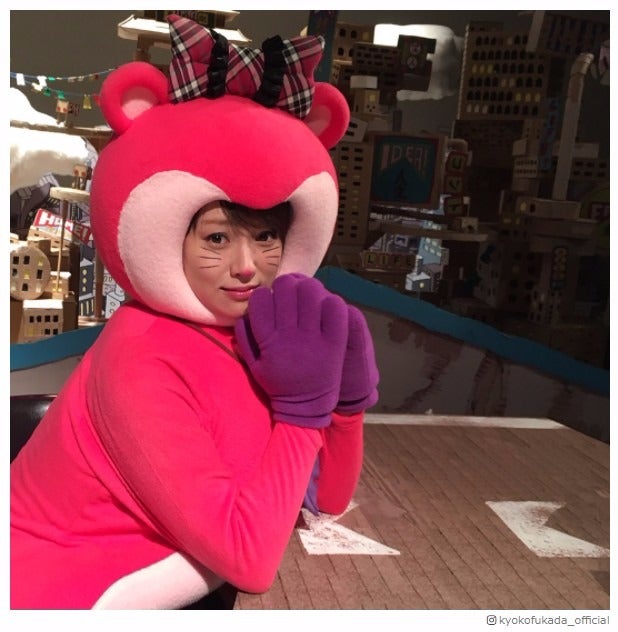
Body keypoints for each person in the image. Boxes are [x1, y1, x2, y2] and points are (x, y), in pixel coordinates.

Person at [10, 15, 379, 610]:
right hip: (62, 596)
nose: (247, 267)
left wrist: (346, 409)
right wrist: (304, 410)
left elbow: (320, 501)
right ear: (170, 234)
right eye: (216, 238)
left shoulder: (246, 332)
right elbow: (249, 560)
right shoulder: (141, 358)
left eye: (267, 237)